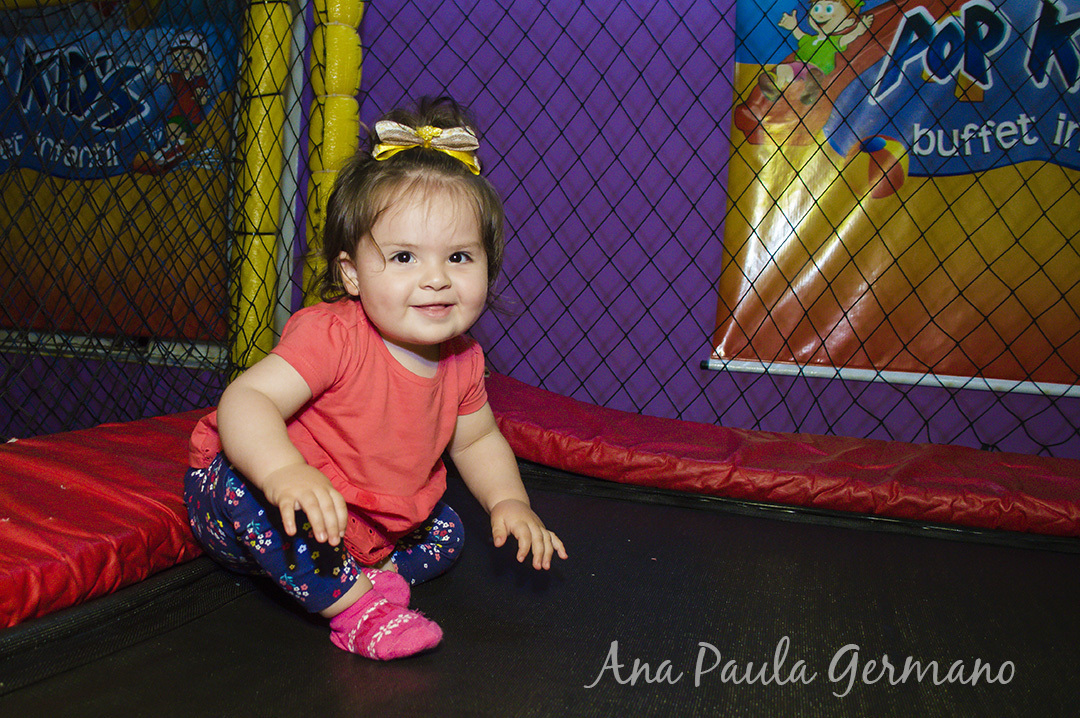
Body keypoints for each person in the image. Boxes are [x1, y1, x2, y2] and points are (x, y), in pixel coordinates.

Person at [184, 96, 567, 661]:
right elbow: (248, 398)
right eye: (405, 257)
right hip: (258, 501)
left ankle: (359, 572)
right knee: (248, 493)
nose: (436, 279)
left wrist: (510, 501)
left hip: (363, 522)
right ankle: (356, 611)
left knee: (449, 533)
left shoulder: (463, 359)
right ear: (352, 274)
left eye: (460, 257)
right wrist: (285, 471)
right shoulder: (332, 335)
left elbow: (479, 438)